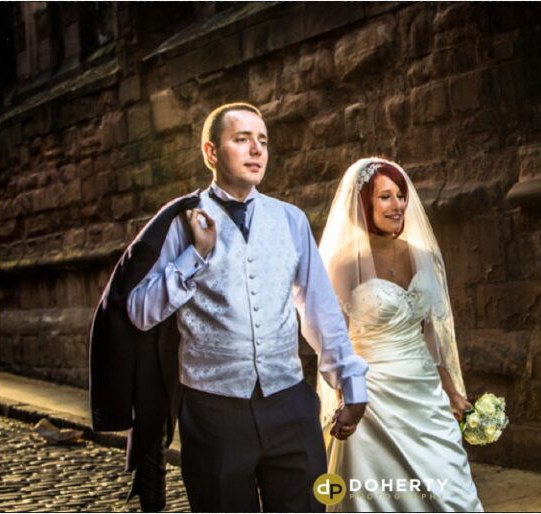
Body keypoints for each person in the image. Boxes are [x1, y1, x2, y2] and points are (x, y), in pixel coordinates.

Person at [121, 102, 368, 512]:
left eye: (263, 141)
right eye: (242, 140)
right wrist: (194, 257)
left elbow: (318, 307)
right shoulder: (181, 222)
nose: (256, 150)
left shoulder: (290, 220)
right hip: (212, 411)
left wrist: (350, 382)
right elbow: (138, 311)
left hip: (289, 402)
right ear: (211, 153)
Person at [316, 157, 483, 512]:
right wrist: (348, 394)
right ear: (365, 203)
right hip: (373, 396)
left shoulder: (422, 255)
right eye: (385, 197)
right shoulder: (342, 263)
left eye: (401, 196)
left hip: (425, 394)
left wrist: (452, 392)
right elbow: (334, 339)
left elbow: (430, 335)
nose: (398, 205)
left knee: (453, 492)